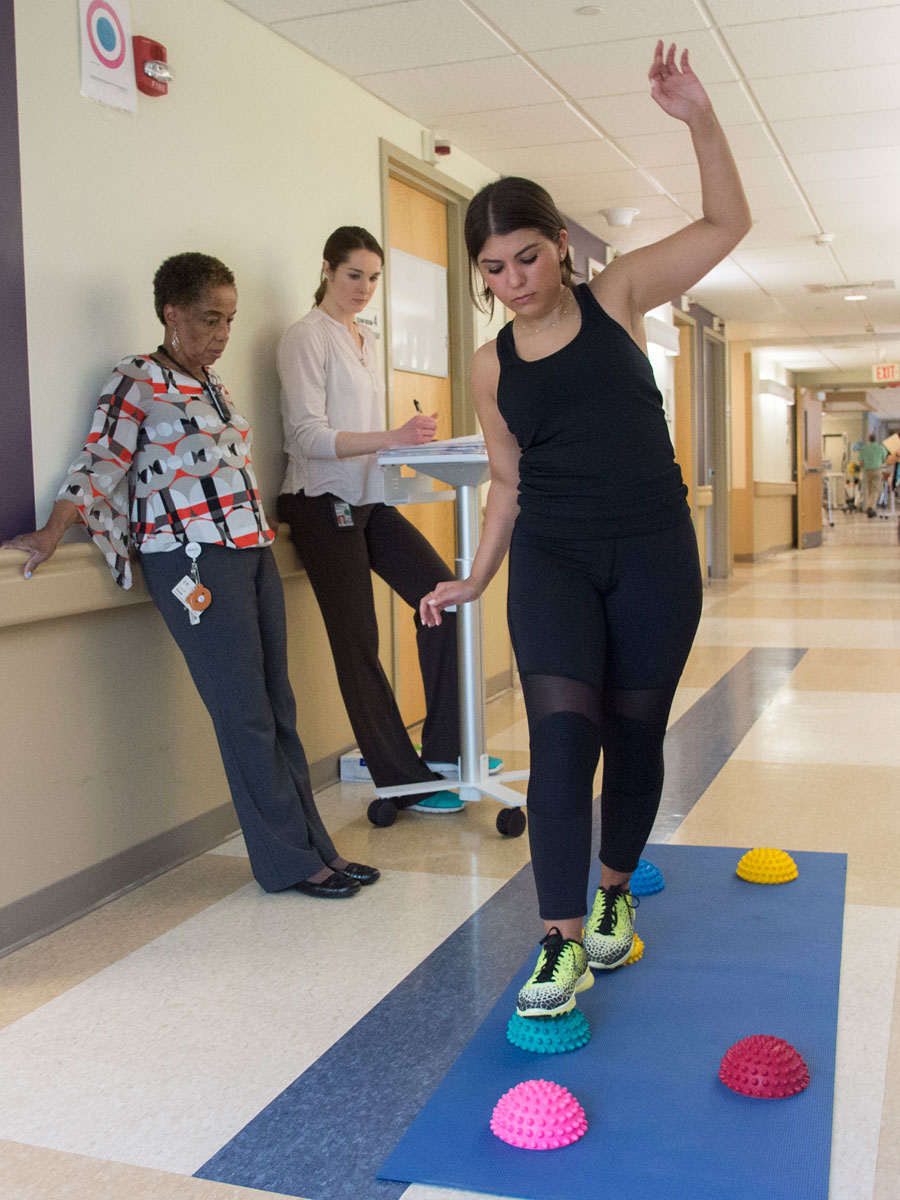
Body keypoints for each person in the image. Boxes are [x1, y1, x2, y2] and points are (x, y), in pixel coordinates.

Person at [421, 42, 751, 1016]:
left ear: (560, 244)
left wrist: (699, 118)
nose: (515, 280)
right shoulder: (491, 366)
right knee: (564, 743)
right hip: (555, 557)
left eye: (528, 256)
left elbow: (728, 222)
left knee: (636, 736)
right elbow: (507, 480)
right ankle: (559, 942)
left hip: (652, 552)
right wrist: (477, 576)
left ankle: (614, 894)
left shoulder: (619, 296)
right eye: (494, 268)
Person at [1, 252, 377, 900]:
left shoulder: (213, 385)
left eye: (229, 320)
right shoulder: (137, 378)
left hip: (251, 548)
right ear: (171, 314)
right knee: (245, 714)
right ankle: (289, 863)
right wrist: (53, 530)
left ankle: (317, 847)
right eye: (209, 319)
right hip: (191, 557)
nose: (222, 333)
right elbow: (100, 460)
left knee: (278, 706)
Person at [276, 225, 497, 816]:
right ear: (327, 270)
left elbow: (365, 432)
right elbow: (307, 435)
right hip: (320, 501)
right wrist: (391, 437)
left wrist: (405, 445)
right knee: (359, 641)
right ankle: (400, 778)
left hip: (370, 499)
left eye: (374, 278)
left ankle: (444, 750)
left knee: (445, 598)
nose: (364, 288)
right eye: (354, 275)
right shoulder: (305, 336)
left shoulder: (365, 338)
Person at [859, 434, 888, 517]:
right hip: (877, 470)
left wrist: (863, 469)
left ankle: (869, 507)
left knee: (868, 489)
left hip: (867, 471)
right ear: (875, 440)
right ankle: (871, 507)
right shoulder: (880, 448)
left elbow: (861, 462)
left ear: (869, 439)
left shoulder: (864, 449)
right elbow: (885, 460)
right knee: (875, 490)